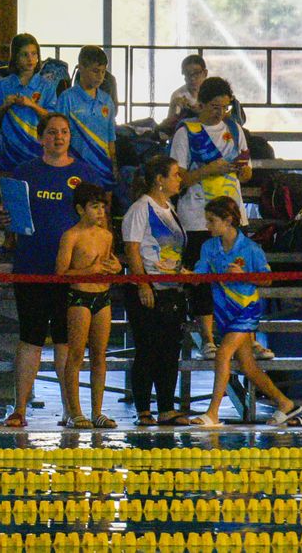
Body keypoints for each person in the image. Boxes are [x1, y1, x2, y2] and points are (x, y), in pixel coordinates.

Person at [0, 113, 93, 428]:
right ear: (41, 137)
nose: (59, 137)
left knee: (67, 343)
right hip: (33, 268)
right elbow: (10, 219)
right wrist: (4, 217)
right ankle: (20, 409)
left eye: (64, 132)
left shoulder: (83, 174)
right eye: (52, 132)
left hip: (71, 272)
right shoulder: (25, 173)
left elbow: (98, 222)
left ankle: (71, 409)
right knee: (31, 338)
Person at [189, 196, 302, 428]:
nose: (207, 226)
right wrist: (182, 274)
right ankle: (285, 404)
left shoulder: (251, 249)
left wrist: (243, 276)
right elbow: (199, 274)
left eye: (212, 221)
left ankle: (212, 413)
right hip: (225, 312)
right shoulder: (208, 247)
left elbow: (267, 280)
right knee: (248, 366)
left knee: (223, 354)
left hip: (246, 310)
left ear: (228, 220)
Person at [170, 77, 252, 360]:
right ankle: (207, 338)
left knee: (238, 275)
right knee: (203, 278)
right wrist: (209, 169)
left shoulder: (233, 128)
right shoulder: (186, 132)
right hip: (197, 217)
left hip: (231, 214)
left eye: (225, 107)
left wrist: (241, 171)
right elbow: (178, 181)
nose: (220, 113)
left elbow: (248, 171)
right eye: (214, 107)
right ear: (200, 104)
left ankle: (243, 337)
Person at [119, 155, 192, 427]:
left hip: (171, 287)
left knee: (169, 352)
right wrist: (142, 283)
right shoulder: (141, 208)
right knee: (148, 350)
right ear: (159, 180)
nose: (179, 179)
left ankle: (166, 407)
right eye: (174, 174)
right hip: (149, 288)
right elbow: (132, 249)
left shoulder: (170, 208)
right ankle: (143, 409)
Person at [54, 182, 121, 430]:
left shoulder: (106, 236)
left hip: (102, 298)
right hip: (79, 298)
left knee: (99, 357)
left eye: (102, 207)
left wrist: (114, 269)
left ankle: (97, 411)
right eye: (95, 207)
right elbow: (60, 273)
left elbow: (108, 265)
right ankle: (75, 411)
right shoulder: (71, 236)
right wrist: (88, 271)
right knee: (76, 355)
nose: (101, 212)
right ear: (80, 209)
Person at [0, 34, 58, 175]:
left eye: (34, 54)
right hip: (9, 154)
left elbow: (53, 120)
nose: (30, 59)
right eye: (24, 54)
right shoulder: (3, 85)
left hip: (37, 153)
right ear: (15, 58)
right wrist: (5, 106)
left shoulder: (46, 86)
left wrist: (33, 105)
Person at [57, 46, 117, 192]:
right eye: (95, 71)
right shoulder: (67, 98)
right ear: (81, 68)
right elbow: (59, 135)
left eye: (103, 72)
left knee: (103, 211)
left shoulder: (106, 101)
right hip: (76, 166)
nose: (100, 77)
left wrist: (114, 165)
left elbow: (111, 138)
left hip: (103, 167)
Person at [157, 55, 208, 136]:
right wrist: (173, 107)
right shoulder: (178, 95)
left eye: (196, 73)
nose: (192, 78)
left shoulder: (212, 92)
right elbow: (170, 127)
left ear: (205, 73)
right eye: (188, 74)